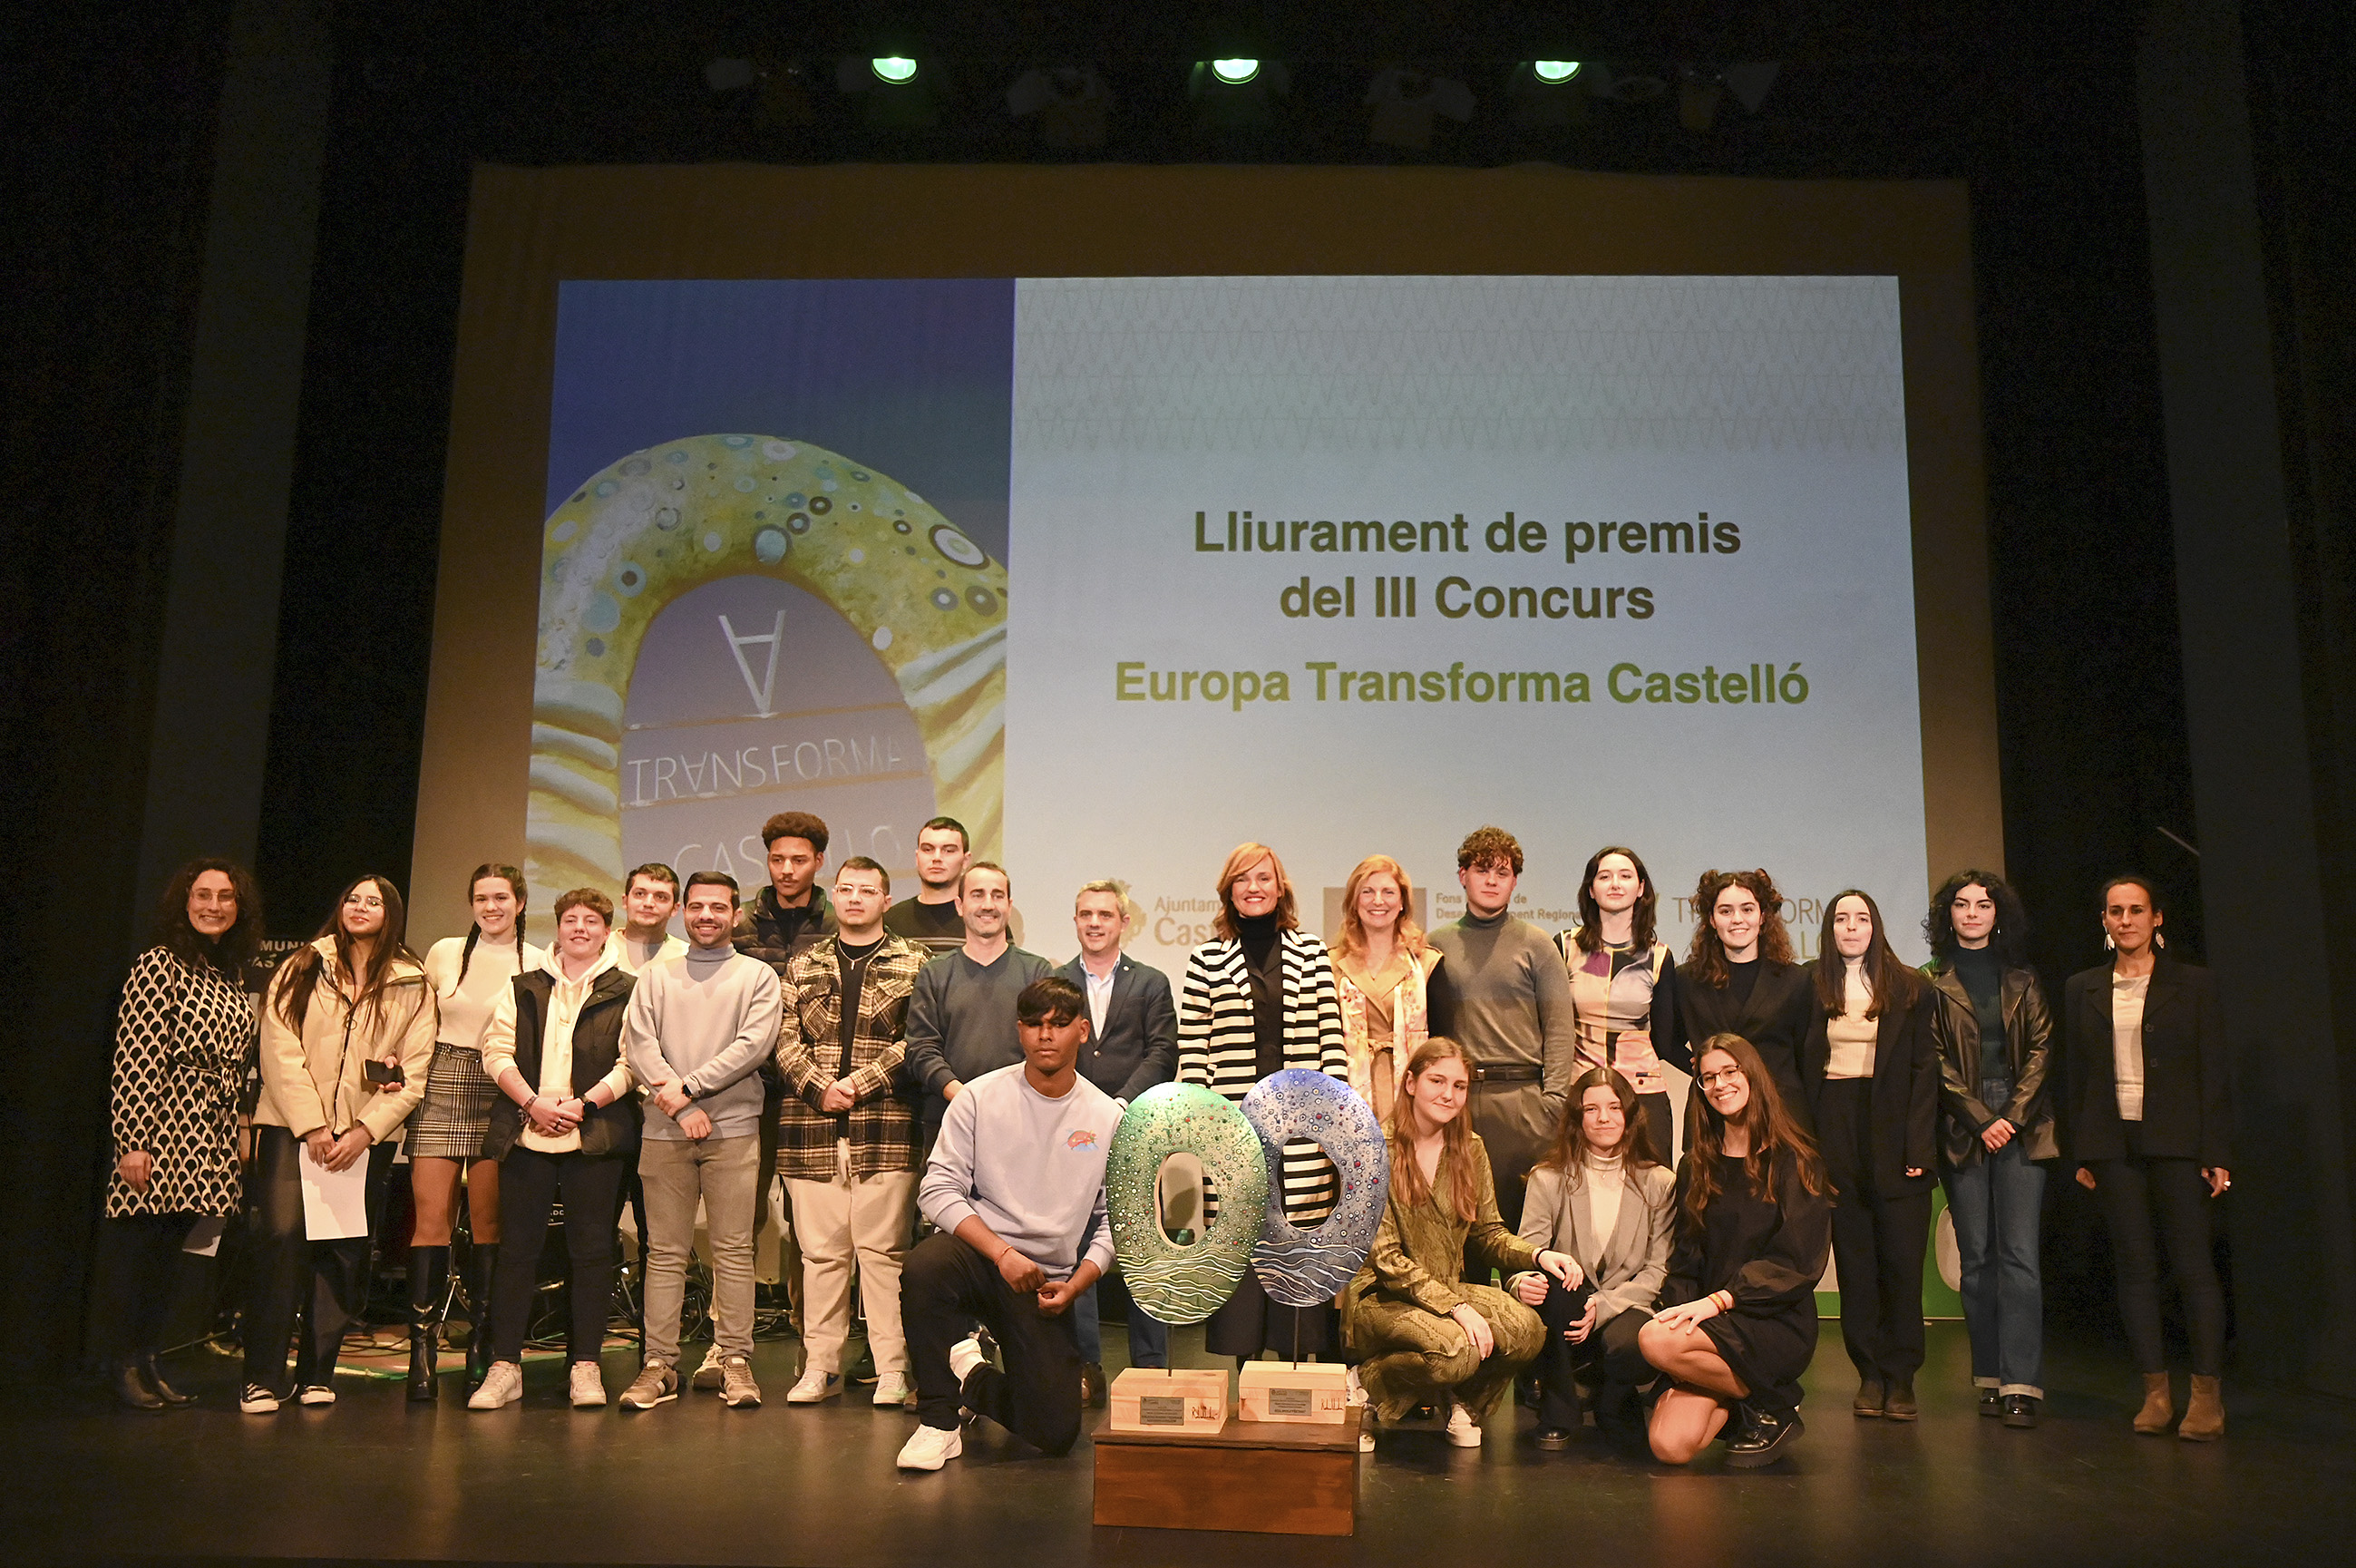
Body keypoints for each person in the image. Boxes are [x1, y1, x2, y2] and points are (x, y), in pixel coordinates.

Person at [897, 977, 1121, 1472]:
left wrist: (1078, 1284)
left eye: (1060, 1025)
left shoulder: (1106, 1116)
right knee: (925, 1267)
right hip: (981, 1257)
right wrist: (1001, 1253)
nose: (1047, 1035)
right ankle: (937, 1422)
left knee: (1057, 1431)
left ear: (1082, 1031)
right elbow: (936, 1190)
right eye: (1035, 1024)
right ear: (1019, 1030)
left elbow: (1113, 1220)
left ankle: (971, 1377)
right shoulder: (978, 1097)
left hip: (1042, 1280)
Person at [242, 874, 436, 1414]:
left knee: (343, 1251)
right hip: (288, 1127)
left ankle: (318, 1373)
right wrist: (312, 1126)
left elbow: (415, 1071)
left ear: (390, 913)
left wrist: (365, 1131)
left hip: (361, 1138)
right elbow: (279, 1049)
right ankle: (260, 1376)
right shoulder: (303, 965)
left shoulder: (413, 982)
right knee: (281, 1240)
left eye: (373, 901)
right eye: (352, 898)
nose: (360, 907)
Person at [1342, 1037, 1574, 1451]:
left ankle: (1462, 1403)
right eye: (1437, 1081)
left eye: (1460, 1086)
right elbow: (1387, 1259)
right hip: (1381, 1297)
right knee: (1456, 1352)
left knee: (1526, 1331)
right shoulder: (1372, 1148)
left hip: (1447, 1289)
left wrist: (1538, 1254)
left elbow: (1488, 1233)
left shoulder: (1470, 1148)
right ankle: (1365, 1383)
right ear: (1411, 1082)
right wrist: (1458, 1308)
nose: (1448, 1095)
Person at [2066, 874, 2231, 1441]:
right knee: (2136, 1268)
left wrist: (2216, 1151)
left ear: (2157, 918)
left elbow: (2213, 1072)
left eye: (2137, 910)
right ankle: (2156, 1393)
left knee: (2192, 1267)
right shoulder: (2083, 987)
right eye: (2116, 911)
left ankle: (2206, 1396)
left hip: (2179, 1143)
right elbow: (2078, 1075)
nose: (2126, 920)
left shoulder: (2194, 984)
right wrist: (2083, 1150)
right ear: (2105, 921)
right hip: (2113, 1145)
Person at [95, 858, 260, 1410]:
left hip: (207, 1134)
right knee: (136, 1256)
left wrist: (236, 1131)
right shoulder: (158, 965)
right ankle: (120, 1365)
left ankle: (149, 1360)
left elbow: (237, 1067)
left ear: (240, 908)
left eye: (226, 896)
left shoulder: (227, 973)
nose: (214, 905)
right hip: (161, 1126)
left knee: (169, 1261)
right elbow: (136, 1056)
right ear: (183, 901)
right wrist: (133, 1142)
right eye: (203, 894)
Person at [1176, 842, 1350, 1361]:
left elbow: (1331, 1040)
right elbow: (1194, 1051)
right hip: (1233, 1127)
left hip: (1302, 1127)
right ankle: (1244, 1366)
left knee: (1299, 1239)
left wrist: (1333, 1127)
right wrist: (1203, 1133)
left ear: (1281, 888)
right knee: (1241, 1244)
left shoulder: (1312, 952)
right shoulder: (1206, 959)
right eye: (1243, 879)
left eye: (1264, 878)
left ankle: (1297, 1367)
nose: (1254, 888)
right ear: (1229, 890)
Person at [468, 888, 639, 1410]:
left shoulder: (628, 989)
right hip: (527, 1133)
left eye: (591, 920)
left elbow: (633, 1062)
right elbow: (494, 1051)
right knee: (517, 1253)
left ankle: (585, 1366)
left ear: (608, 931)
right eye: (570, 919)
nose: (580, 928)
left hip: (595, 1136)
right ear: (558, 927)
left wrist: (583, 1104)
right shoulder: (523, 987)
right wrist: (533, 1103)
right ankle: (505, 1368)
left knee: (592, 1254)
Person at [618, 871, 784, 1411]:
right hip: (664, 1133)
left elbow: (754, 1046)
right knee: (664, 1253)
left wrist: (687, 1089)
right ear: (682, 913)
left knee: (734, 1251)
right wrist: (680, 1105)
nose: (706, 916)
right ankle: (659, 1365)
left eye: (718, 907)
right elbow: (638, 1045)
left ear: (736, 914)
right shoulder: (655, 976)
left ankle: (735, 1361)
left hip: (732, 1131)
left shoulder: (758, 976)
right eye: (696, 907)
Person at [775, 857, 930, 1408]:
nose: (855, 898)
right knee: (820, 1257)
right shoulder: (803, 963)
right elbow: (784, 1039)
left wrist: (858, 1085)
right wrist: (820, 1088)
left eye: (868, 890)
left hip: (885, 1129)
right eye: (846, 889)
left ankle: (892, 1368)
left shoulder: (917, 962)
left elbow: (918, 1041)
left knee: (884, 1254)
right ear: (833, 897)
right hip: (809, 1131)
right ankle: (820, 1365)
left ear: (887, 900)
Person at [1640, 1034, 1832, 1467]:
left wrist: (1720, 1301)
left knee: (1654, 1341)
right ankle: (1765, 1406)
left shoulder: (1797, 1161)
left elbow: (1799, 1261)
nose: (1720, 1084)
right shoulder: (1696, 1165)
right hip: (1708, 1324)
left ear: (1753, 1076)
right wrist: (1677, 1308)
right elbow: (1686, 1257)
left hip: (1772, 1322)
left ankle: (1771, 1397)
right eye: (1708, 1077)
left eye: (1731, 1072)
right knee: (1669, 1447)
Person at [405, 864, 543, 1399]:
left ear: (521, 902)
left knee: (488, 1225)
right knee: (430, 1221)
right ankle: (422, 1352)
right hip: (444, 1079)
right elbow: (416, 1017)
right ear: (471, 905)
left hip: (502, 1086)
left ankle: (481, 1345)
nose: (492, 907)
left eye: (501, 897)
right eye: (481, 898)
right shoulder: (442, 952)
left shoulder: (537, 959)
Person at [1923, 870, 2055, 1429]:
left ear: (1999, 914)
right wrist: (1980, 1119)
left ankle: (2022, 1382)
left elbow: (2043, 1049)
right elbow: (1932, 1058)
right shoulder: (1930, 981)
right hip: (1962, 1122)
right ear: (1947, 915)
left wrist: (2011, 1117)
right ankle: (1989, 1377)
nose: (1972, 913)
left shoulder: (2023, 977)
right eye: (1962, 904)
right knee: (1976, 1260)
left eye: (1983, 904)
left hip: (2023, 1122)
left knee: (2019, 1257)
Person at [1800, 891, 1940, 1421]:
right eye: (1841, 918)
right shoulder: (1811, 986)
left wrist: (1920, 1148)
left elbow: (1926, 1072)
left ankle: (1901, 1377)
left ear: (1876, 926)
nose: (1851, 927)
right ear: (1830, 928)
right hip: (1835, 1127)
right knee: (1855, 1264)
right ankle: (1870, 1374)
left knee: (1901, 1263)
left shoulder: (1910, 987)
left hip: (1896, 1130)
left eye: (1861, 918)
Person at [1056, 880, 1179, 1394]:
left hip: (1136, 1129)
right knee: (1075, 1251)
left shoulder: (1150, 982)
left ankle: (1149, 1371)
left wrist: (1119, 1103)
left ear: (1123, 921)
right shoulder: (1056, 978)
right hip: (1071, 1133)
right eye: (1085, 913)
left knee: (1140, 1250)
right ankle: (1085, 1369)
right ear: (1076, 919)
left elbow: (1163, 1052)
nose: (1094, 923)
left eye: (1105, 914)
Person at [1425, 826, 1577, 1231]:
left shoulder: (1538, 943)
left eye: (1502, 873)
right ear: (1462, 875)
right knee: (1460, 1227)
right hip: (1456, 1103)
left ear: (1514, 881)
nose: (1491, 881)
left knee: (1523, 1232)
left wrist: (1553, 1104)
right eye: (1481, 870)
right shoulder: (1434, 945)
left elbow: (1561, 1030)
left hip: (1524, 1105)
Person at [1514, 1066, 1675, 1448]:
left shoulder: (1660, 1182)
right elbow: (1525, 1252)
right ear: (1577, 1118)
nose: (1604, 1118)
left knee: (1629, 1345)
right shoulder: (1548, 1178)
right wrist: (1521, 1283)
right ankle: (1559, 1411)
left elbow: (1658, 1269)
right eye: (1591, 1109)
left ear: (1629, 1115)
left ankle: (1614, 1398)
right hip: (1568, 1302)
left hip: (1627, 1304)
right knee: (1552, 1287)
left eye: (1614, 1107)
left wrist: (1604, 1306)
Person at [902, 862, 1055, 1140]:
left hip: (1023, 1121)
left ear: (1009, 905)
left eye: (997, 896)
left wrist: (1007, 1101)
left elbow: (1049, 1044)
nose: (988, 904)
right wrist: (961, 1096)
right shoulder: (935, 973)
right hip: (948, 1120)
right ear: (959, 905)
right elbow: (920, 1048)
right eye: (977, 894)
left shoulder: (1037, 972)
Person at [1554, 846, 1685, 1161]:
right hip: (1579, 1088)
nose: (1615, 883)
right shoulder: (1565, 946)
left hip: (1641, 1092)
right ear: (1591, 889)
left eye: (1625, 876)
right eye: (1604, 876)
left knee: (1652, 1194)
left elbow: (1664, 1041)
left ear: (1640, 888)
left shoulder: (1659, 956)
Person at [1679, 868, 1816, 1132]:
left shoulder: (1796, 980)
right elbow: (1666, 1042)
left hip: (1781, 1114)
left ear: (1763, 917)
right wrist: (1706, 1070)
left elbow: (1806, 1055)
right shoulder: (1687, 980)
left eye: (1747, 909)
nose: (1737, 919)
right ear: (1711, 919)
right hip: (1714, 1114)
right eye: (1726, 911)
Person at [1331, 854, 1441, 1126]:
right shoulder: (1329, 964)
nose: (1378, 901)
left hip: (1411, 1100)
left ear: (1402, 902)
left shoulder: (1427, 963)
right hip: (1348, 1102)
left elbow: (1442, 1044)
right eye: (1367, 892)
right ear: (1354, 902)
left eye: (1388, 892)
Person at [734, 811, 836, 971]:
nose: (786, 870)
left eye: (799, 860)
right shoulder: (739, 922)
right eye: (778, 860)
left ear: (819, 861)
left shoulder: (837, 924)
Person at [882, 816, 969, 954]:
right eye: (928, 849)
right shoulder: (890, 921)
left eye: (948, 850)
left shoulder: (980, 920)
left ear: (965, 860)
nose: (937, 858)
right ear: (917, 858)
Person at [609, 862, 686, 974]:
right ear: (625, 901)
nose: (648, 903)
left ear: (675, 909)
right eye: (640, 894)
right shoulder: (599, 948)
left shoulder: (686, 957)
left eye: (661, 897)